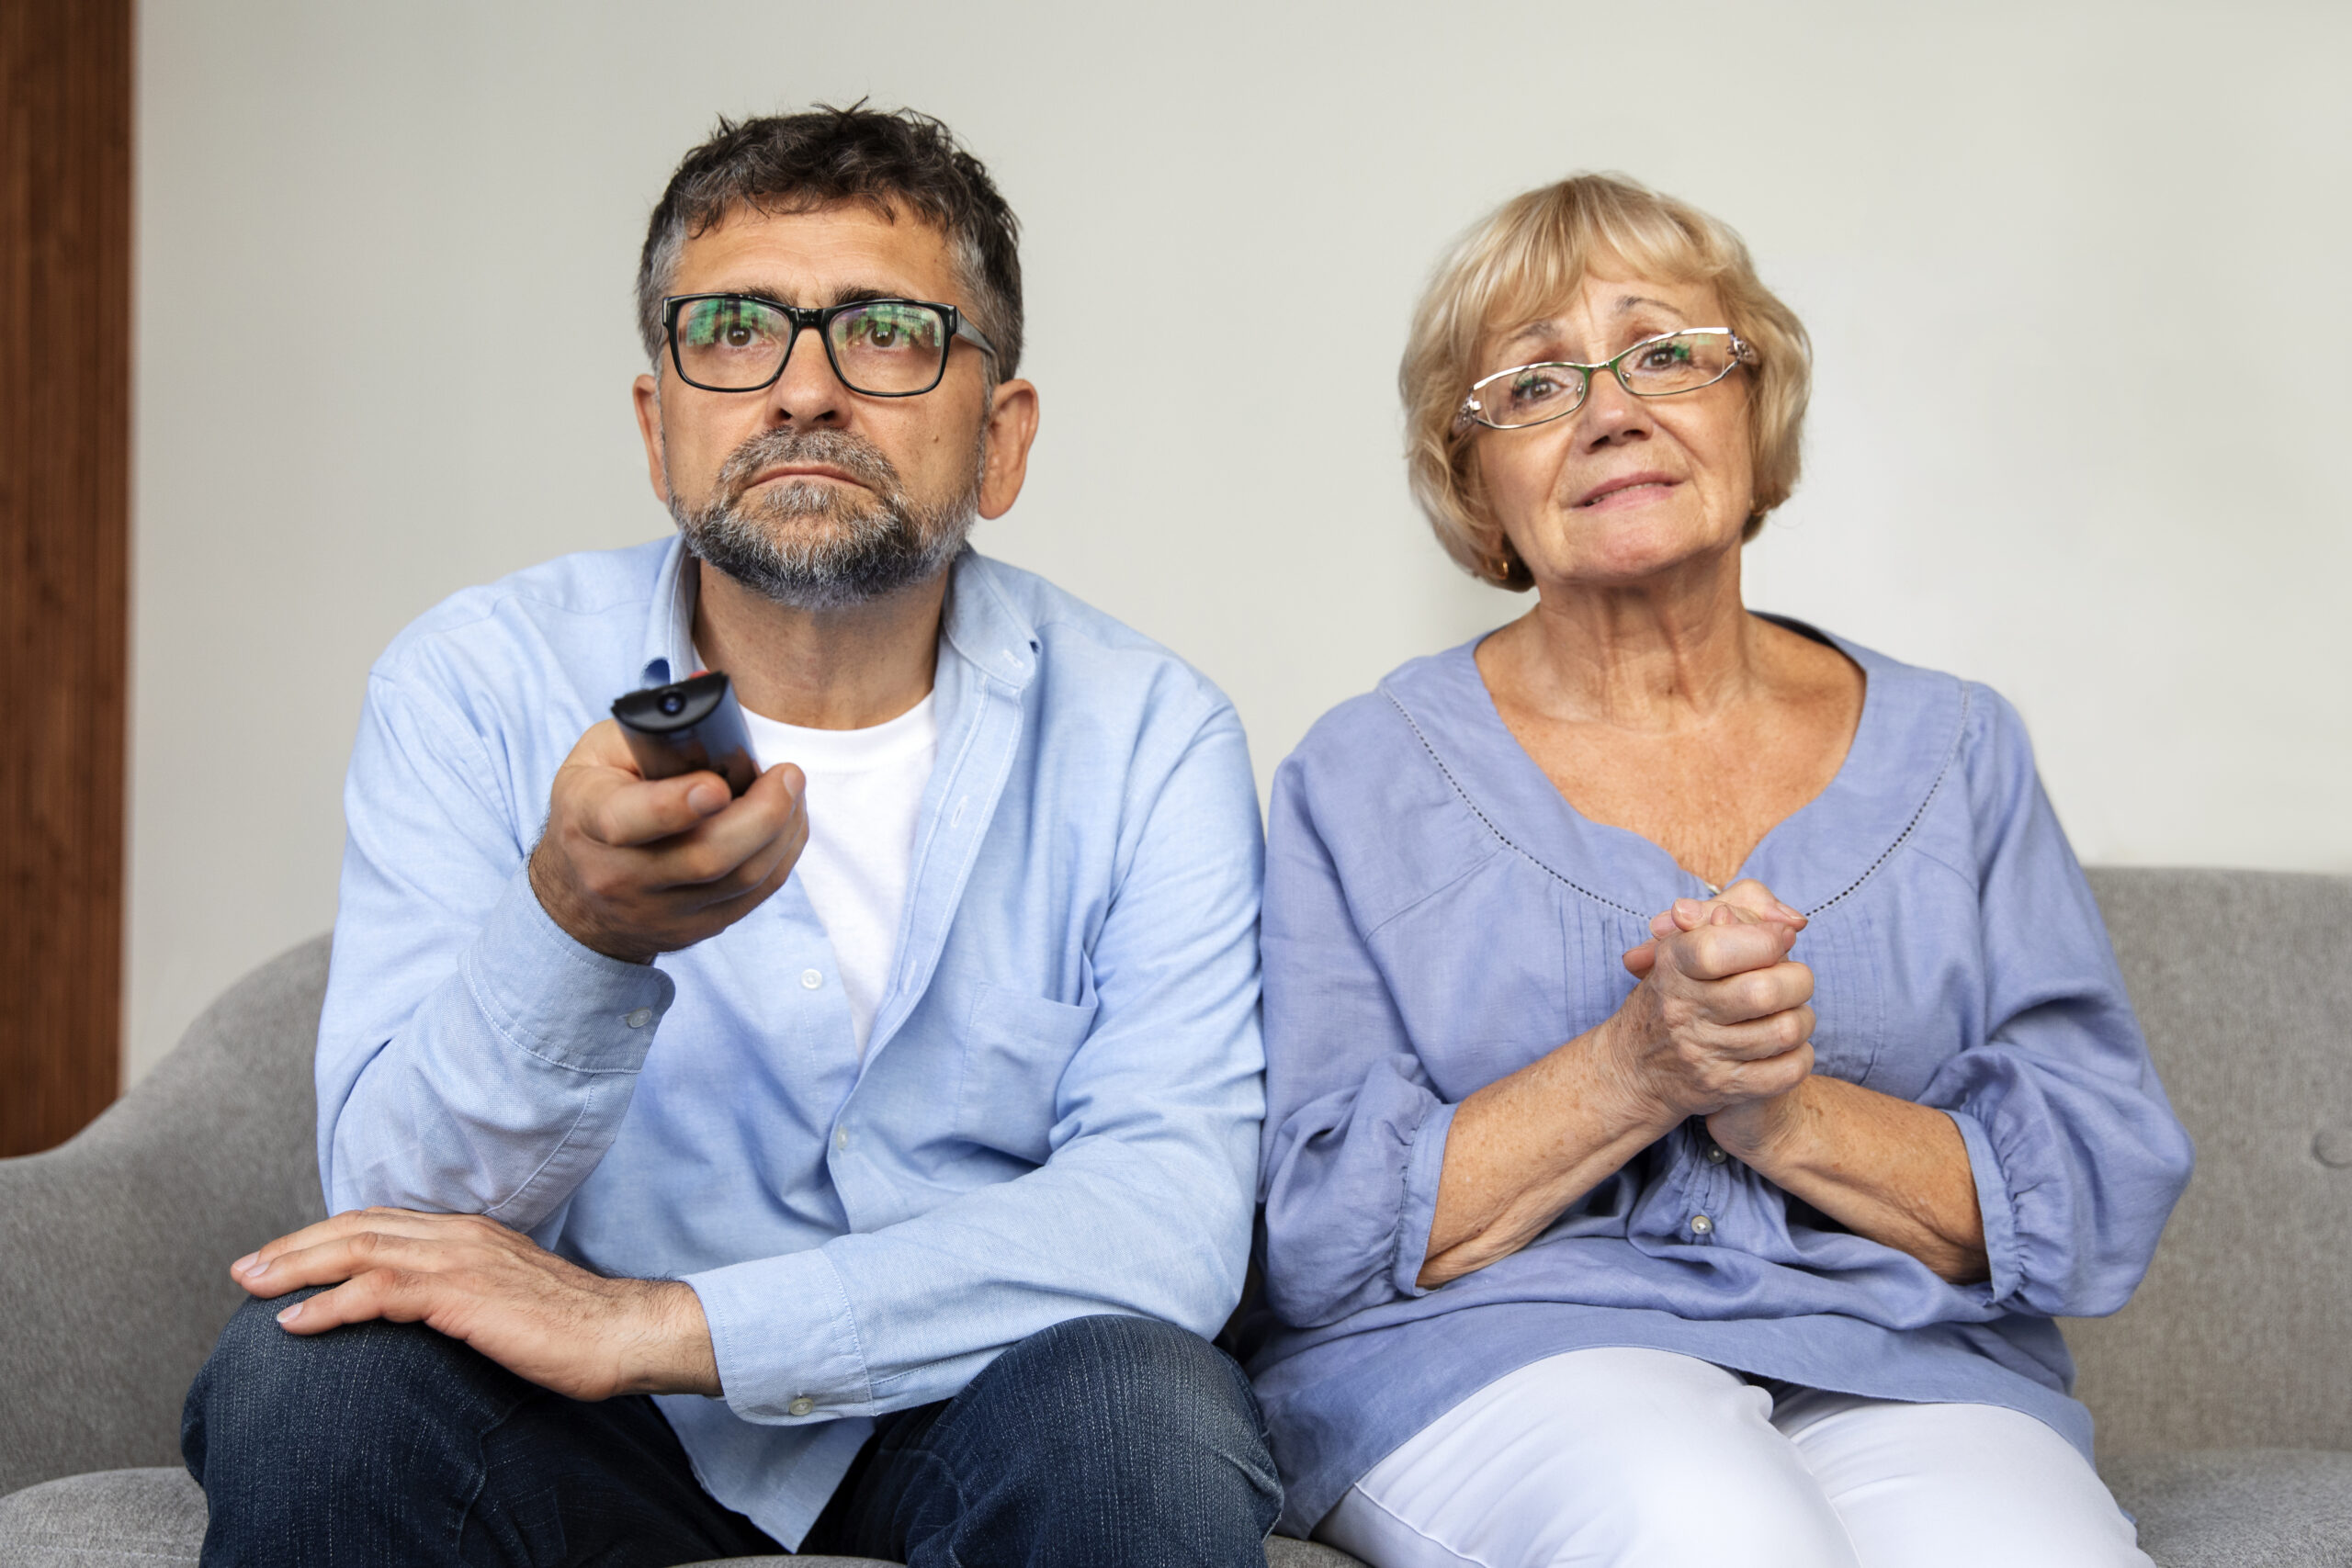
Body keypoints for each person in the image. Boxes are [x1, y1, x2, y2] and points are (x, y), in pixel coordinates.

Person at [180, 106, 1280, 1568]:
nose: (803, 391)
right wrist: (575, 931)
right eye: (735, 328)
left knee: (1143, 1419)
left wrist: (670, 1327)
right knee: (311, 1374)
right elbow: (396, 1215)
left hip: (962, 1394)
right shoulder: (471, 681)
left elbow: (1168, 1223)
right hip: (572, 1421)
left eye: (887, 332)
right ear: (659, 426)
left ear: (1000, 438)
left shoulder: (1153, 735)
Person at [1245, 174, 2193, 1568]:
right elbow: (1307, 1233)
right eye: (1533, 384)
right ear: (1475, 486)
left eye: (1666, 353)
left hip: (1906, 1368)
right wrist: (1641, 1069)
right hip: (1500, 1361)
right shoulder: (1361, 773)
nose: (1612, 409)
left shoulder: (1959, 750)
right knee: (1708, 1527)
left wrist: (1787, 1115)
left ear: (1758, 412)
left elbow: (2099, 1188)